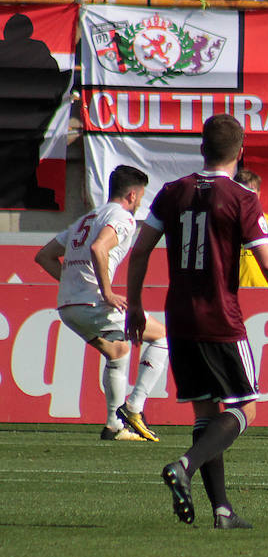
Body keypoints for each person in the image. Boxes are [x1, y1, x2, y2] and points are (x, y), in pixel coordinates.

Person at [125, 114, 268, 529]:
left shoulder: (172, 192)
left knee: (206, 416)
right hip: (220, 317)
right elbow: (267, 260)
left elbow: (140, 249)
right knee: (246, 410)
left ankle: (222, 511)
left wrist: (134, 304)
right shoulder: (241, 197)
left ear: (202, 148)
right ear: (240, 152)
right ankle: (184, 465)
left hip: (179, 317)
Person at [34, 165, 168, 442]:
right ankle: (134, 407)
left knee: (118, 352)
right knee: (164, 337)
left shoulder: (85, 218)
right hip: (94, 303)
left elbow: (44, 256)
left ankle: (114, 426)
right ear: (132, 194)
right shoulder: (122, 217)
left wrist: (74, 284)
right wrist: (106, 292)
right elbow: (99, 247)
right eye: (141, 196)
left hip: (69, 307)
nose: (140, 202)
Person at [0, 12, 69, 210]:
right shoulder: (38, 50)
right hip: (25, 123)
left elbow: (53, 84)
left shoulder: (36, 50)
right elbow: (55, 83)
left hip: (24, 124)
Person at [233, 169, 268, 288]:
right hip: (232, 289)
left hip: (263, 290)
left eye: (251, 190)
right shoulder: (224, 221)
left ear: (259, 194)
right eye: (241, 190)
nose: (246, 195)